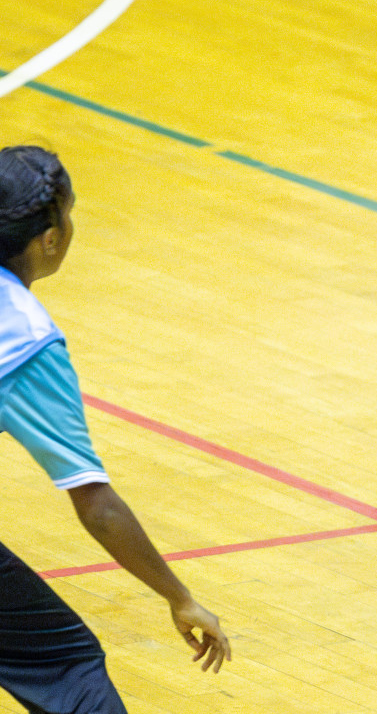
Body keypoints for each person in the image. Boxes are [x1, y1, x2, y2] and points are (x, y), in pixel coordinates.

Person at [0, 146, 231, 712]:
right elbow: (96, 503)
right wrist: (180, 597)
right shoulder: (25, 340)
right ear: (49, 239)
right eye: (69, 214)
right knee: (68, 667)